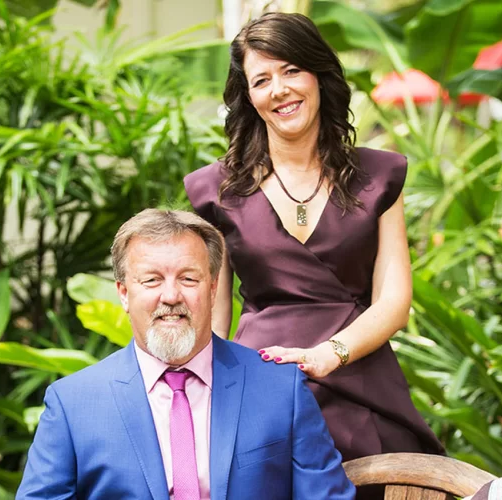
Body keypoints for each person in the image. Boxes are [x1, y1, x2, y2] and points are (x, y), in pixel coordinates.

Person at [184, 12, 444, 470]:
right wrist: (200, 401)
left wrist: (328, 355)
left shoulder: (380, 175)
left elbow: (394, 302)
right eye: (261, 80)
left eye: (291, 70)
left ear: (319, 76)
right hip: (260, 383)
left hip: (361, 379)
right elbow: (214, 316)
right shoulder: (215, 190)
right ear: (249, 97)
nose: (279, 89)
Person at [16, 209, 355, 499]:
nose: (171, 296)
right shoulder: (72, 404)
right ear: (123, 293)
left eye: (188, 279)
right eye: (151, 280)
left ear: (213, 288)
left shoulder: (281, 389)